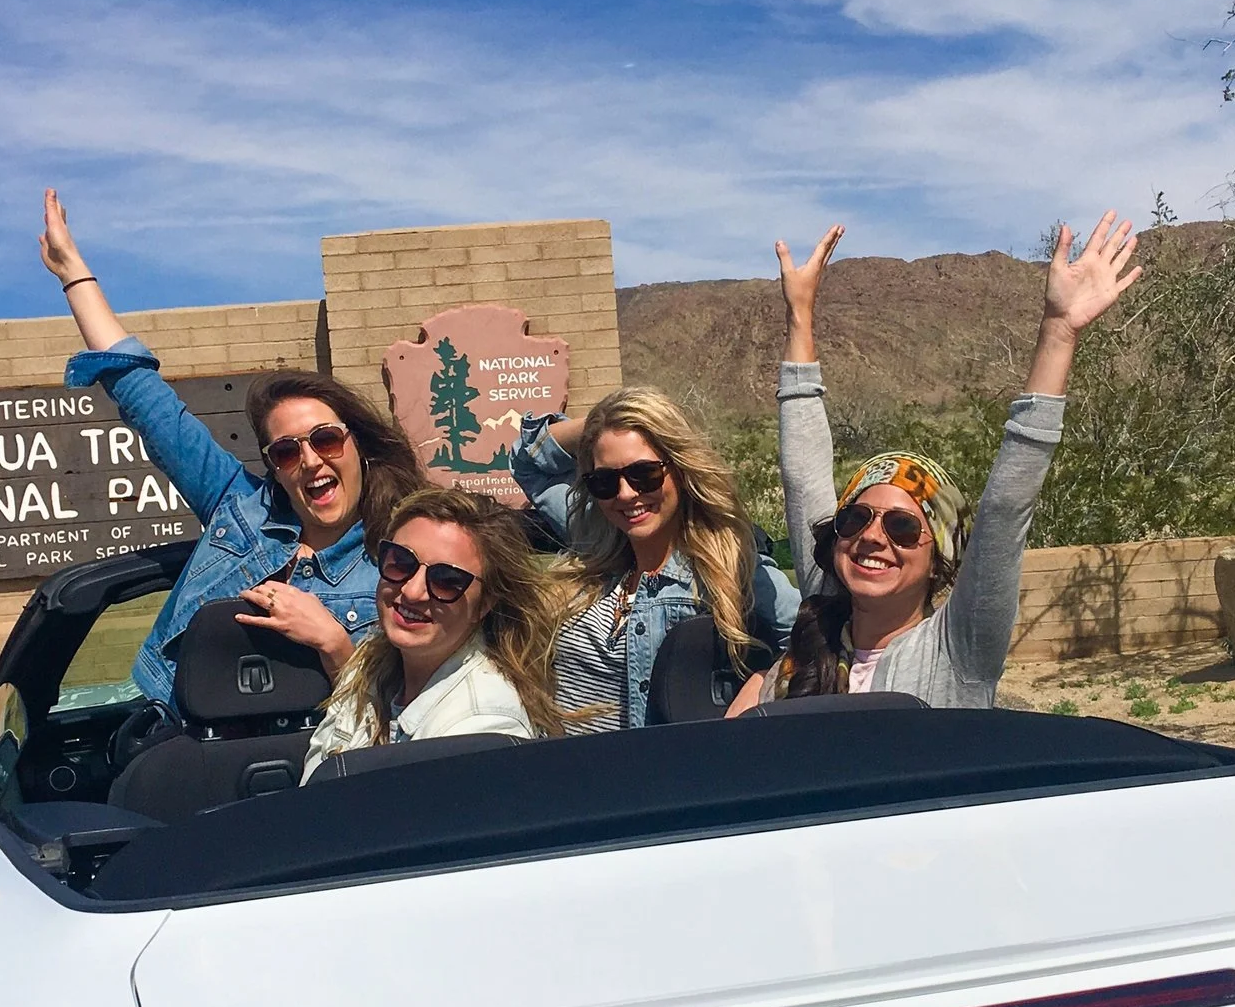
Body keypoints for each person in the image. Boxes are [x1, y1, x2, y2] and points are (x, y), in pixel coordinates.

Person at [728, 210, 1142, 714]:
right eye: (856, 518)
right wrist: (799, 315)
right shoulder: (821, 626)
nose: (872, 537)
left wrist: (1058, 332)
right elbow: (804, 474)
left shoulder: (958, 648)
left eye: (902, 527)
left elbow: (1006, 510)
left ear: (939, 560)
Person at [39, 190, 423, 708]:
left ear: (359, 444)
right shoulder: (239, 509)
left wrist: (334, 643)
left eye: (326, 439)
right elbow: (148, 404)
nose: (311, 460)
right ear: (275, 467)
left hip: (316, 752)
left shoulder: (398, 563)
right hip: (178, 734)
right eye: (286, 451)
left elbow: (404, 714)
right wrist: (73, 273)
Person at [510, 388, 800, 729]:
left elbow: (813, 638)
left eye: (644, 474)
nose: (625, 494)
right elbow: (527, 458)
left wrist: (763, 683)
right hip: (563, 760)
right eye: (604, 481)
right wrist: (603, 422)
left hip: (652, 760)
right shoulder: (596, 536)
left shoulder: (727, 565)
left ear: (680, 469)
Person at [302, 487, 564, 777]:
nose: (412, 592)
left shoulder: (480, 730)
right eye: (400, 562)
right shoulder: (369, 662)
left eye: (447, 581)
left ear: (484, 604)